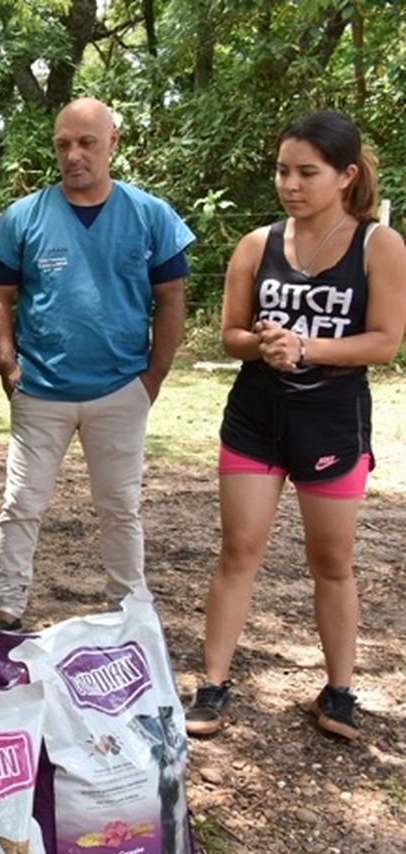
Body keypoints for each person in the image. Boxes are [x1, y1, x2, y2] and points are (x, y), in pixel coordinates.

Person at [185, 111, 405, 741]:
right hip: (256, 416)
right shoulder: (256, 245)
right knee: (237, 551)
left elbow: (385, 342)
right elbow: (231, 334)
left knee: (331, 561)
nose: (291, 183)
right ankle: (214, 685)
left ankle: (338, 693)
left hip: (332, 420)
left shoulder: (378, 245)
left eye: (308, 172)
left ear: (346, 176)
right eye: (284, 170)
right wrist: (263, 345)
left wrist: (306, 347)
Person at [0, 98, 194, 647]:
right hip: (41, 389)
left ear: (113, 142)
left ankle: (128, 607)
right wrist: (8, 365)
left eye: (87, 142)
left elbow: (171, 299)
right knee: (22, 502)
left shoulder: (151, 216)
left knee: (121, 506)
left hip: (122, 387)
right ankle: (7, 607)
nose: (74, 155)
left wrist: (154, 376)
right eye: (63, 144)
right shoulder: (24, 216)